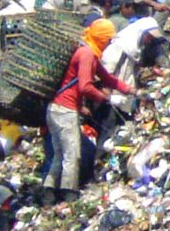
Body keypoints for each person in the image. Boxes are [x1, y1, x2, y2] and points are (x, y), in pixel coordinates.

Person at [45, 21, 127, 202]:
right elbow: (85, 86)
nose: (108, 44)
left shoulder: (88, 53)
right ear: (101, 39)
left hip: (55, 109)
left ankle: (48, 192)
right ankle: (69, 194)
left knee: (60, 153)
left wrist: (131, 90)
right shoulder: (87, 54)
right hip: (65, 111)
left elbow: (107, 78)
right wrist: (106, 98)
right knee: (72, 154)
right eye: (108, 40)